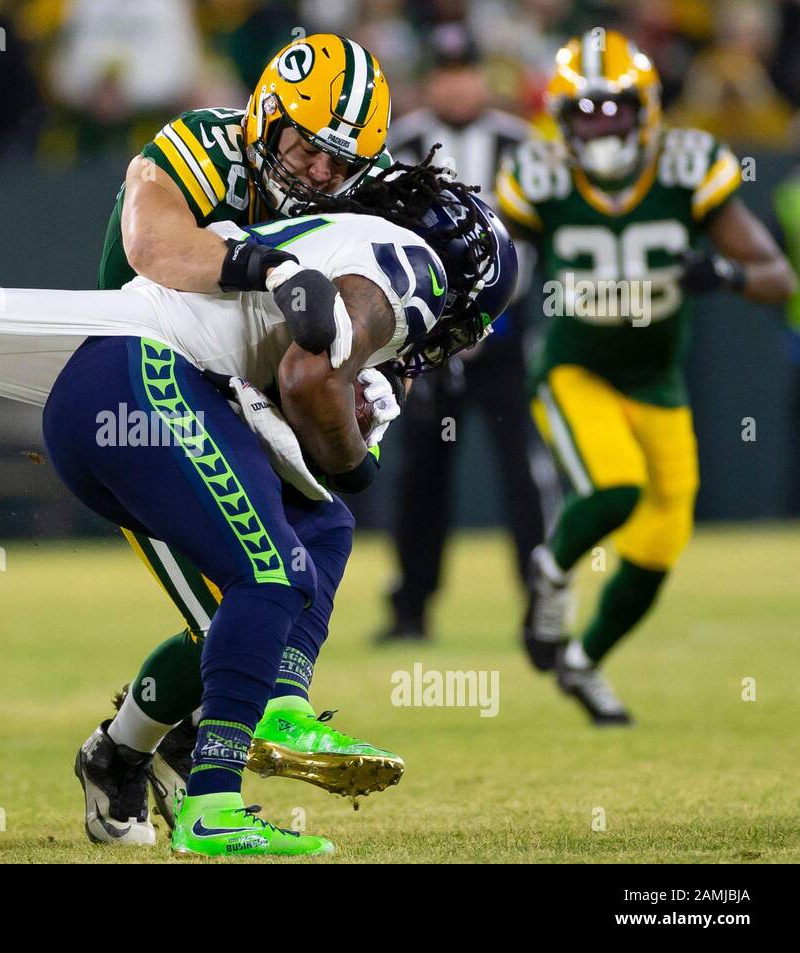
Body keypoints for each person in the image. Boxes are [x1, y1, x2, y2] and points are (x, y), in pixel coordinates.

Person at [0, 163, 518, 854]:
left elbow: (291, 376)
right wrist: (356, 460)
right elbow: (307, 383)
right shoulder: (416, 265)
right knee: (270, 576)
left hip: (127, 393)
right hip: (148, 379)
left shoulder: (335, 238)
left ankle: (231, 719)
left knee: (308, 542)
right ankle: (215, 802)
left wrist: (344, 439)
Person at [79, 32, 404, 845]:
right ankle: (216, 762)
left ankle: (135, 750)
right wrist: (269, 267)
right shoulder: (201, 143)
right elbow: (152, 245)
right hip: (137, 401)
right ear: (266, 114)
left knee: (318, 534)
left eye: (340, 163)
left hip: (234, 404)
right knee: (251, 597)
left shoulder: (345, 194)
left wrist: (375, 376)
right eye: (305, 145)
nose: (319, 174)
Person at [496, 29, 796, 725]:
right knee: (614, 487)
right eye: (586, 112)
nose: (601, 125)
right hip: (575, 366)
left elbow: (777, 275)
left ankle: (583, 662)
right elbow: (499, 270)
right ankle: (550, 576)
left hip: (658, 378)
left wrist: (723, 273)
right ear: (562, 119)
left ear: (647, 110)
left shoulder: (688, 167)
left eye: (614, 109)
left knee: (662, 538)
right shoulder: (538, 175)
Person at [375, 24, 548, 642]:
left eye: (465, 72)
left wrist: (492, 316)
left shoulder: (522, 145)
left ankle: (540, 605)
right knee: (421, 474)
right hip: (427, 338)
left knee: (523, 473)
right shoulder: (404, 143)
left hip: (504, 338)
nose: (456, 85)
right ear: (430, 81)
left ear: (482, 77)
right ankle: (410, 607)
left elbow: (537, 243)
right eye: (444, 74)